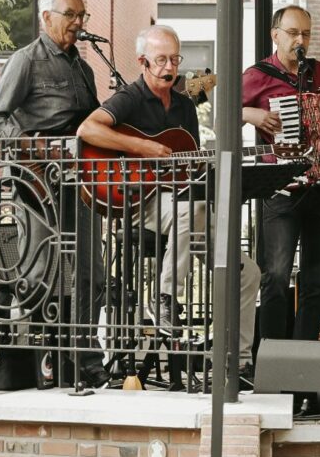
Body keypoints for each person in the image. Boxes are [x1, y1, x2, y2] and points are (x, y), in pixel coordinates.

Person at [77, 25, 260, 376]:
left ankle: (239, 361)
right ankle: (165, 298)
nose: (169, 67)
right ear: (143, 62)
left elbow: (187, 165)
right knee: (190, 210)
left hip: (184, 212)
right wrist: (144, 147)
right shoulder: (130, 97)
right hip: (135, 200)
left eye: (175, 59)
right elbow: (88, 130)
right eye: (161, 60)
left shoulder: (184, 106)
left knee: (248, 272)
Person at [0, 0, 108, 387]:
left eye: (81, 15)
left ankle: (85, 358)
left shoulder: (85, 68)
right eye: (70, 14)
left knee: (92, 275)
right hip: (35, 186)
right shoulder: (26, 61)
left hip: (81, 184)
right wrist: (34, 145)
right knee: (42, 277)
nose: (77, 22)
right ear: (46, 17)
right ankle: (48, 358)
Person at [242, 5, 320, 342]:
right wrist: (250, 112)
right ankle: (270, 356)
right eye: (294, 32)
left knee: (316, 282)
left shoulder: (319, 72)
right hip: (281, 188)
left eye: (306, 34)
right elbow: (221, 107)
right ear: (275, 35)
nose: (301, 39)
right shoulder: (257, 75)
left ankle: (304, 357)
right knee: (276, 277)